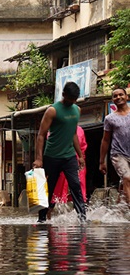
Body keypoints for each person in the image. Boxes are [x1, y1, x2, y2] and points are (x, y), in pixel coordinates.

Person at [33, 81, 86, 223]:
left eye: (74, 99)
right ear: (63, 95)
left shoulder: (77, 110)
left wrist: (80, 155)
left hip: (69, 156)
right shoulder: (52, 110)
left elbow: (73, 134)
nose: (72, 102)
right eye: (70, 99)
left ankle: (82, 217)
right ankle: (42, 218)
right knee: (49, 187)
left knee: (75, 185)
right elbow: (41, 135)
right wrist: (39, 159)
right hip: (52, 156)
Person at [100, 87, 130, 203]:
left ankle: (118, 209)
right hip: (118, 154)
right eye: (115, 96)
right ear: (113, 100)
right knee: (127, 177)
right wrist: (102, 161)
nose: (118, 97)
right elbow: (105, 140)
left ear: (126, 97)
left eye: (121, 94)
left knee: (125, 183)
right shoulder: (110, 118)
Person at [51, 126, 87, 206]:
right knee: (56, 191)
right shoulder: (54, 128)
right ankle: (48, 214)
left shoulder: (79, 130)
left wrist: (81, 158)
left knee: (78, 190)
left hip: (76, 163)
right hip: (60, 162)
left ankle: (81, 216)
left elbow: (83, 147)